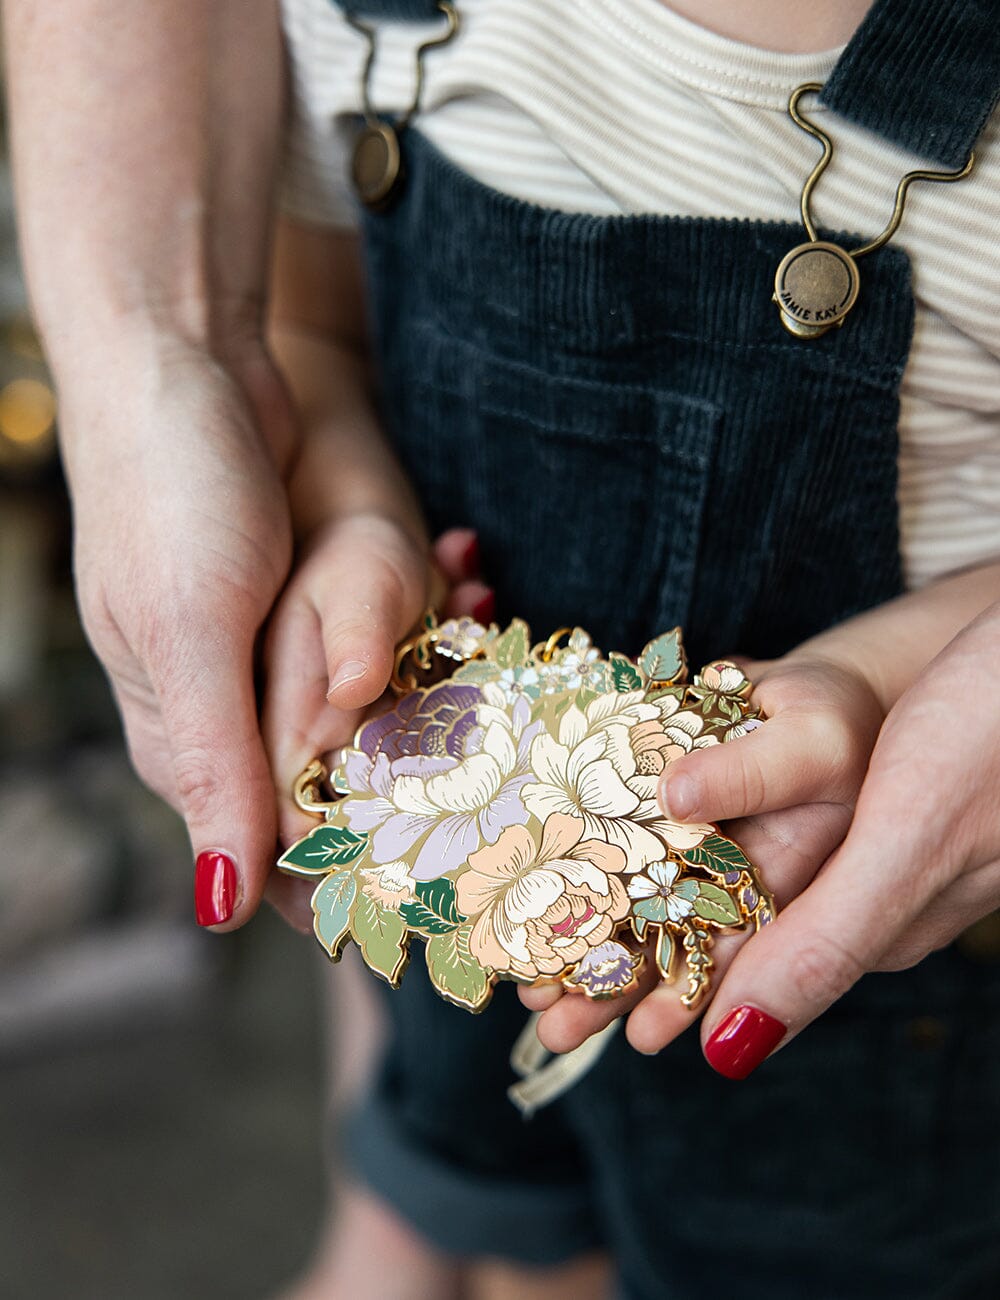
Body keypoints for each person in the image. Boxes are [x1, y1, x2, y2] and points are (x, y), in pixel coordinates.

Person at [7, 1, 999, 1298]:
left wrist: (897, 676)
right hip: (475, 968)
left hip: (896, 1036)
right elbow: (309, 328)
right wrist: (345, 504)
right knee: (493, 1213)